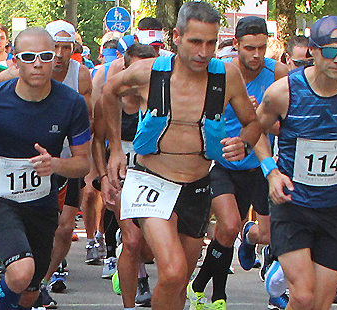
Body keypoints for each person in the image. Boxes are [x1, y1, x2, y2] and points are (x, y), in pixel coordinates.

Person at [100, 3, 263, 310]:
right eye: (195, 42)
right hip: (152, 179)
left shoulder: (227, 77)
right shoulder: (150, 72)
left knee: (179, 281)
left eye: (211, 43)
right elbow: (109, 91)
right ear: (176, 37)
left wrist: (244, 142)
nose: (204, 51)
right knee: (173, 272)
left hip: (197, 184)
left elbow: (252, 122)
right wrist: (116, 150)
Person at [255, 15, 337, 310]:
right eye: (329, 50)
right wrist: (271, 172)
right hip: (292, 203)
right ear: (313, 50)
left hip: (332, 205)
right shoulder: (283, 92)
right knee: (302, 296)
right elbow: (254, 131)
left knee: (322, 303)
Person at [0, 26, 92, 310]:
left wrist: (56, 164)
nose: (38, 64)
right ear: (15, 60)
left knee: (31, 290)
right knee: (21, 272)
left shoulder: (71, 104)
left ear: (55, 57)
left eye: (45, 56)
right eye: (29, 56)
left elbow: (84, 163)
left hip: (41, 203)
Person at [189, 15, 289, 310]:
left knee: (265, 234)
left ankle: (201, 281)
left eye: (261, 47)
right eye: (249, 48)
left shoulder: (279, 73)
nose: (256, 55)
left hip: (260, 165)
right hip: (222, 165)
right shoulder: (221, 75)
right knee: (228, 225)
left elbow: (286, 126)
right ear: (236, 45)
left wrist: (263, 120)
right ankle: (218, 296)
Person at [91, 43, 159, 308]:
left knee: (147, 248)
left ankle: (130, 263)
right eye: (138, 69)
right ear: (126, 69)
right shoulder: (110, 100)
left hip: (153, 178)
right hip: (121, 179)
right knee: (132, 239)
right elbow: (98, 141)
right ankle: (130, 302)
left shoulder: (161, 101)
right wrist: (102, 177)